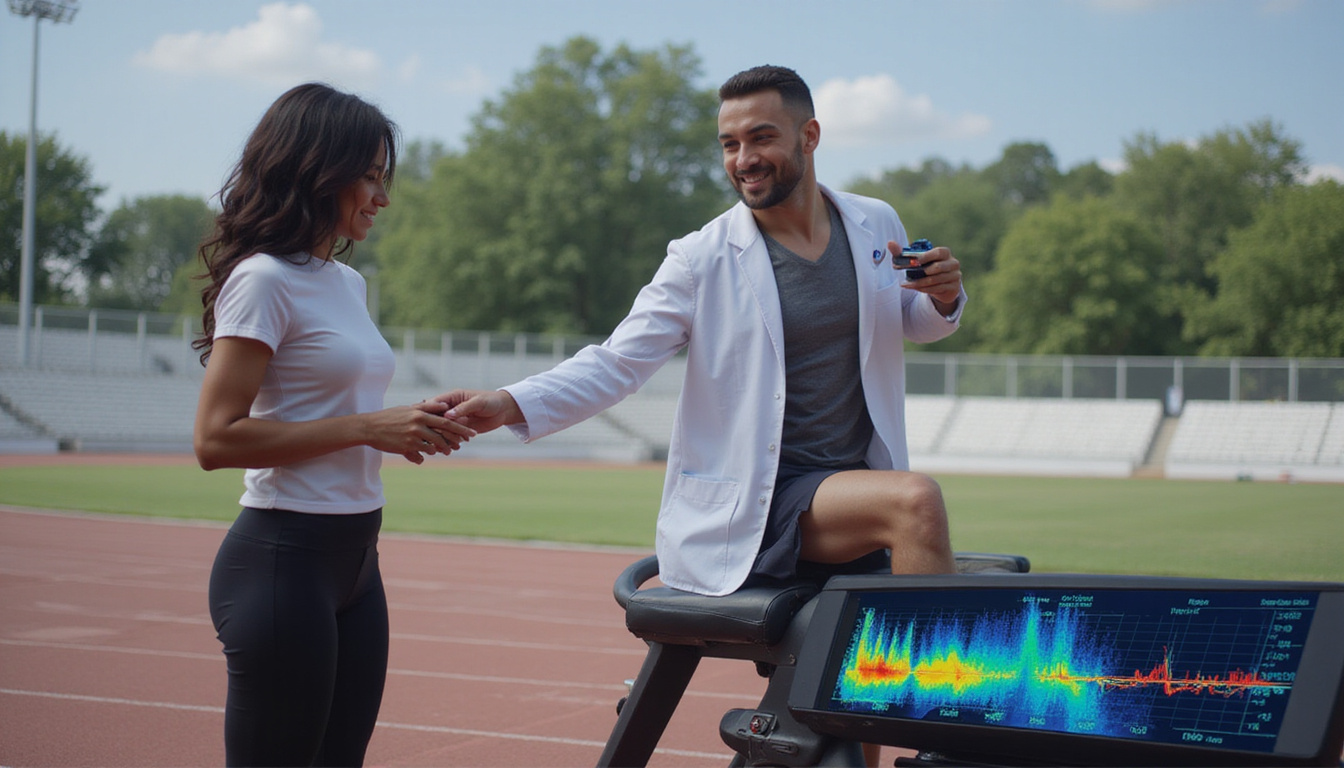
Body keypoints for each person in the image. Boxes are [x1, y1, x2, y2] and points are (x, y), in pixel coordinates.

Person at [441, 64, 961, 595]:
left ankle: (917, 677)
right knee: (915, 501)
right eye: (729, 144)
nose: (744, 160)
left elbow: (906, 323)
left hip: (855, 484)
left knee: (907, 513)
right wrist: (509, 402)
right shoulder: (698, 260)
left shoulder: (875, 223)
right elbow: (617, 363)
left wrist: (942, 300)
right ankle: (935, 682)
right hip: (761, 498)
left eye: (761, 138)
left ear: (810, 136)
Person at [192, 82, 473, 767]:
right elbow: (215, 439)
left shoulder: (346, 282)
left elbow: (338, 407)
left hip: (355, 562)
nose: (382, 196)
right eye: (371, 177)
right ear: (318, 172)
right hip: (283, 560)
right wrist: (369, 427)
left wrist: (409, 420)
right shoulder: (262, 280)